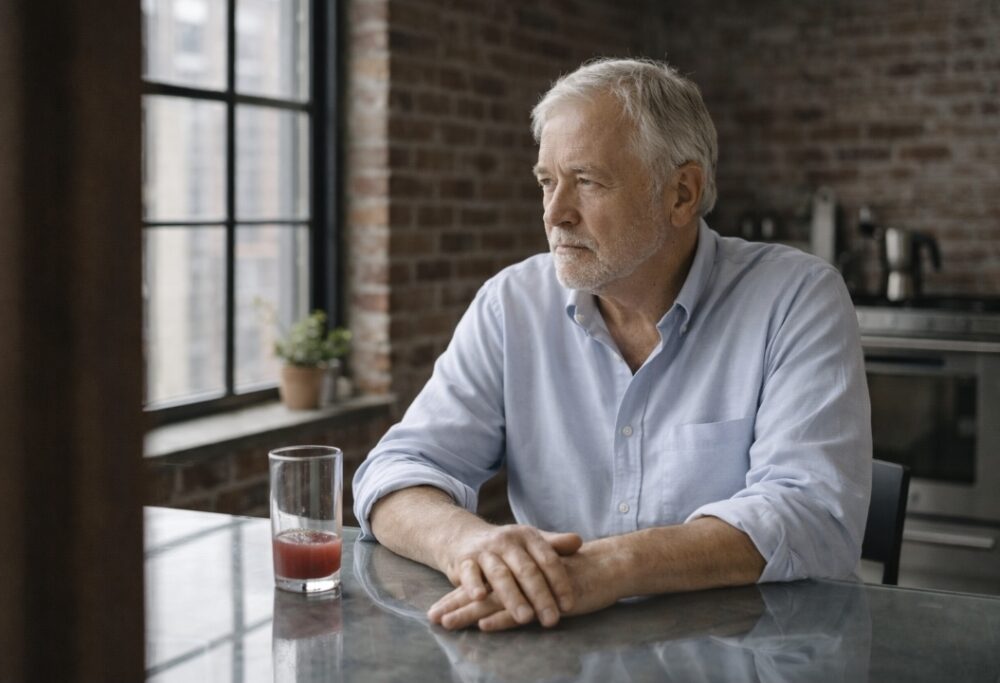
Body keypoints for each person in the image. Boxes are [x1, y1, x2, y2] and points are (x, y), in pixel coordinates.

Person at [352, 57, 872, 633]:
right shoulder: (511, 304)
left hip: (761, 654)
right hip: (561, 651)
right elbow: (396, 470)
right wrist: (469, 545)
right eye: (547, 182)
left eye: (588, 181)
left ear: (681, 193)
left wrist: (610, 567)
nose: (555, 213)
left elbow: (811, 513)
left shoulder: (796, 296)